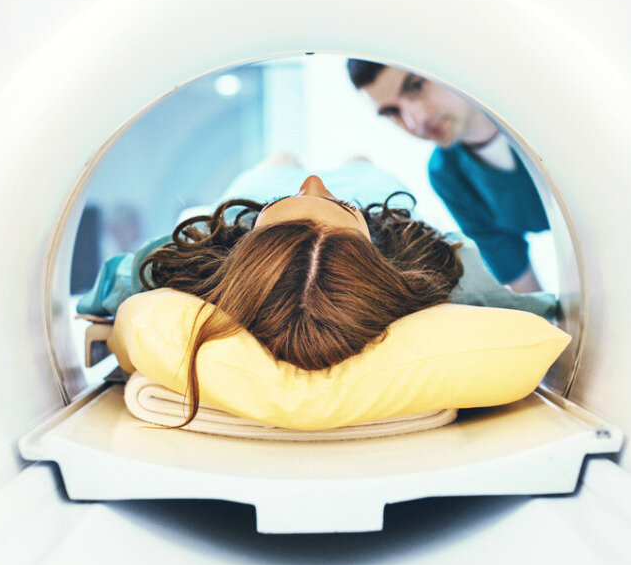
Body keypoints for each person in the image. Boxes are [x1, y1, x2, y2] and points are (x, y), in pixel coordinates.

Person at [77, 158, 557, 426]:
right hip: (375, 200)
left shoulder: (195, 254)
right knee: (360, 163)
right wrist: (348, 208)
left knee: (279, 162)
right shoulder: (440, 267)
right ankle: (337, 190)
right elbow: (536, 312)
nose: (314, 183)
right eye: (330, 204)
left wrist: (105, 315)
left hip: (259, 196)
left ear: (243, 251)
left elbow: (106, 296)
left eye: (298, 200)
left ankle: (278, 190)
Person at [347, 59, 549, 293]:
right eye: (393, 112)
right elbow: (521, 280)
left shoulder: (541, 102)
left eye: (416, 85)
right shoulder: (447, 175)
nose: (416, 121)